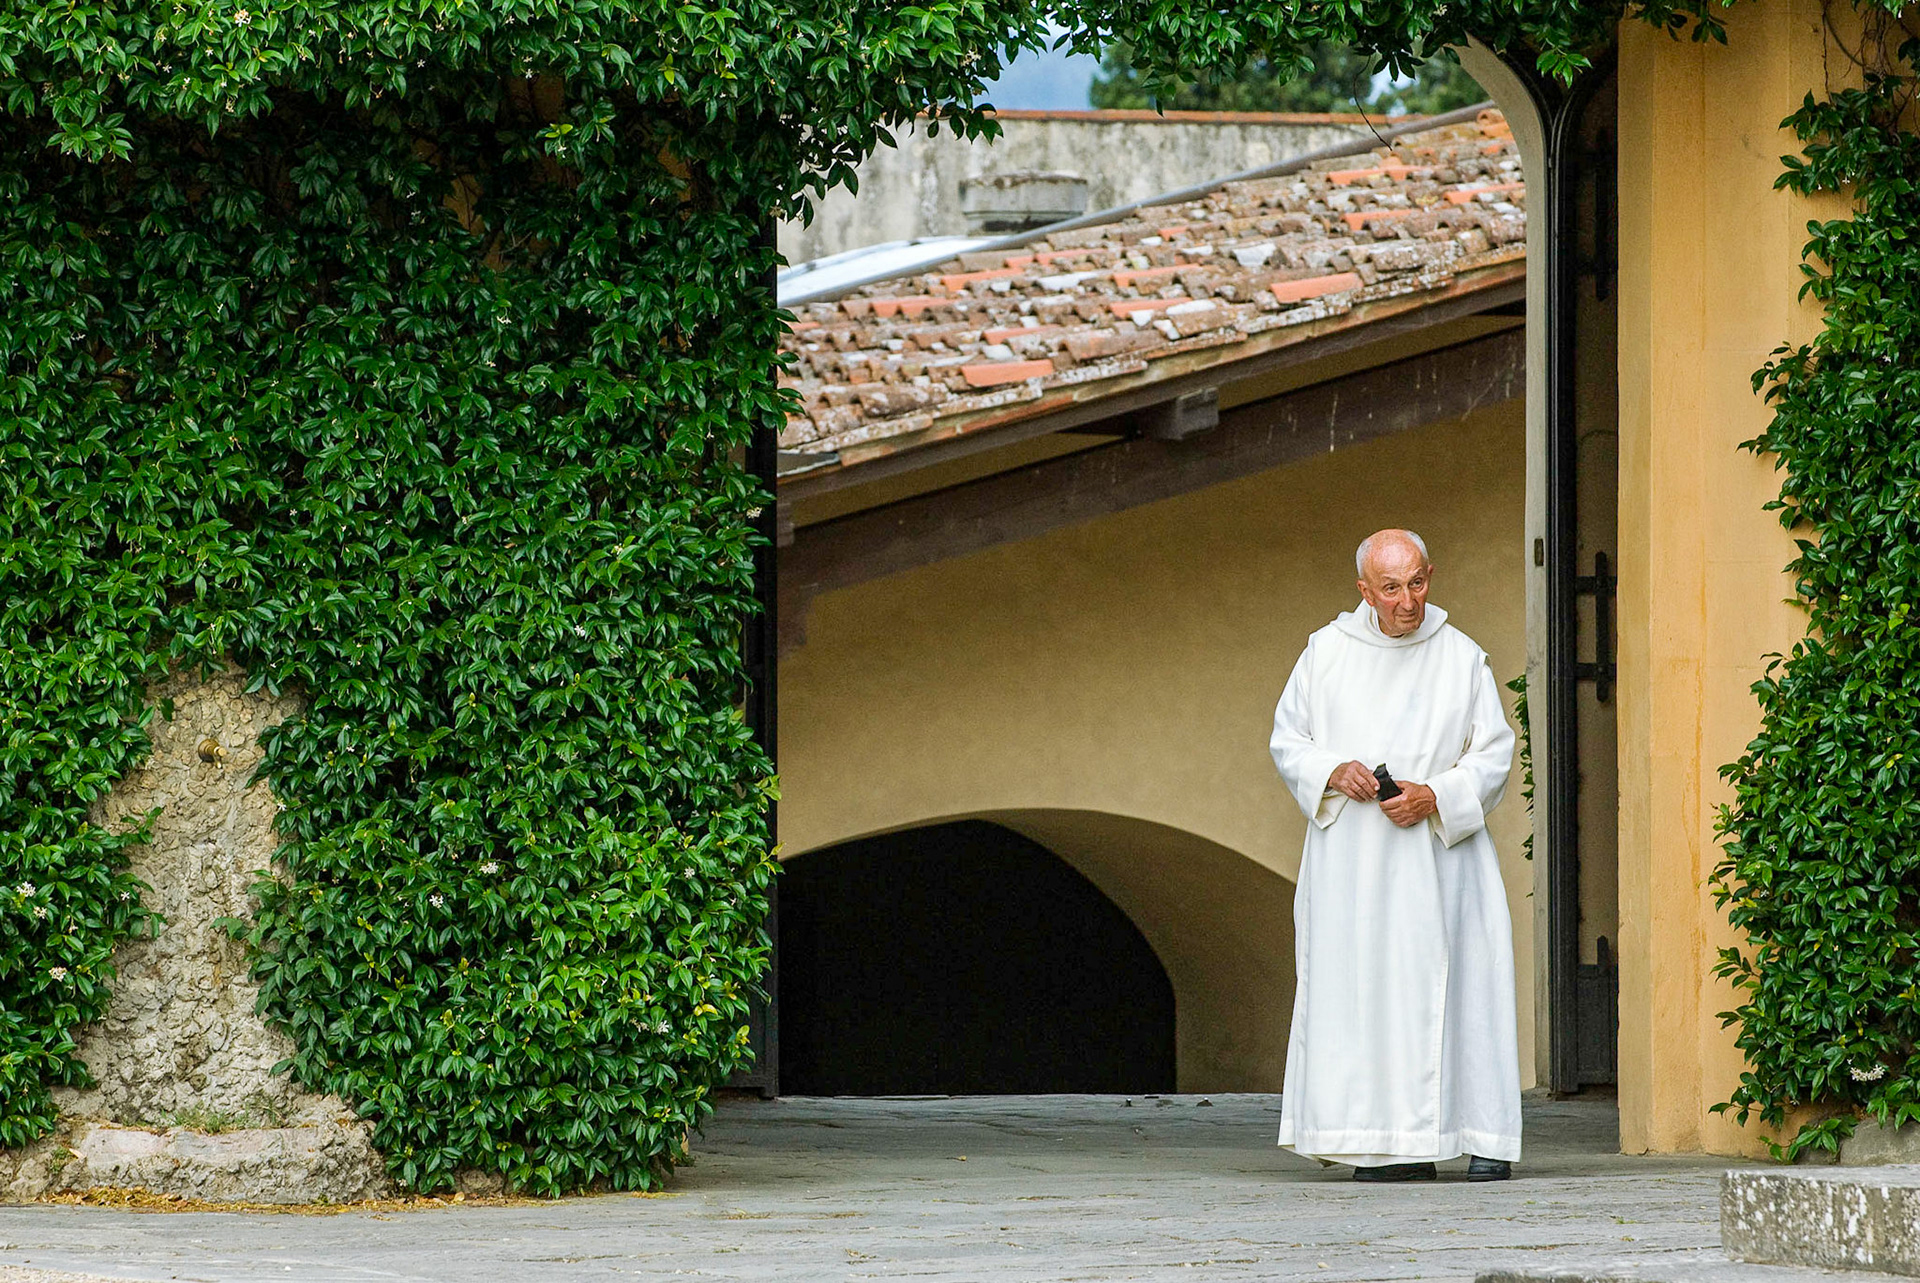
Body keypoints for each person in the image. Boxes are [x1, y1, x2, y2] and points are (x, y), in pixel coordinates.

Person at [1268, 528, 1522, 1182]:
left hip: (1441, 863)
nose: (1407, 600)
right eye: (1391, 587)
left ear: (1429, 574)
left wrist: (1435, 793)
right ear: (1364, 590)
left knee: (1458, 985)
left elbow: (1494, 751)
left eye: (1417, 581)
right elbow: (1288, 739)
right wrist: (1332, 770)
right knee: (1364, 994)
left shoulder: (1461, 656)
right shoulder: (1325, 653)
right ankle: (1382, 1142)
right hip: (1353, 864)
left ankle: (1481, 1133)